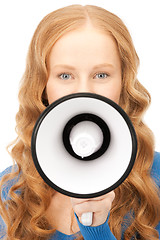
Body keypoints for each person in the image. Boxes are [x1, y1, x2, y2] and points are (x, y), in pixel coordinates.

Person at [0, 4, 160, 240]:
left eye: (101, 75)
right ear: (43, 85)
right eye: (65, 76)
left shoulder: (156, 179)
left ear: (123, 82)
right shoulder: (10, 193)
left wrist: (98, 231)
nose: (84, 91)